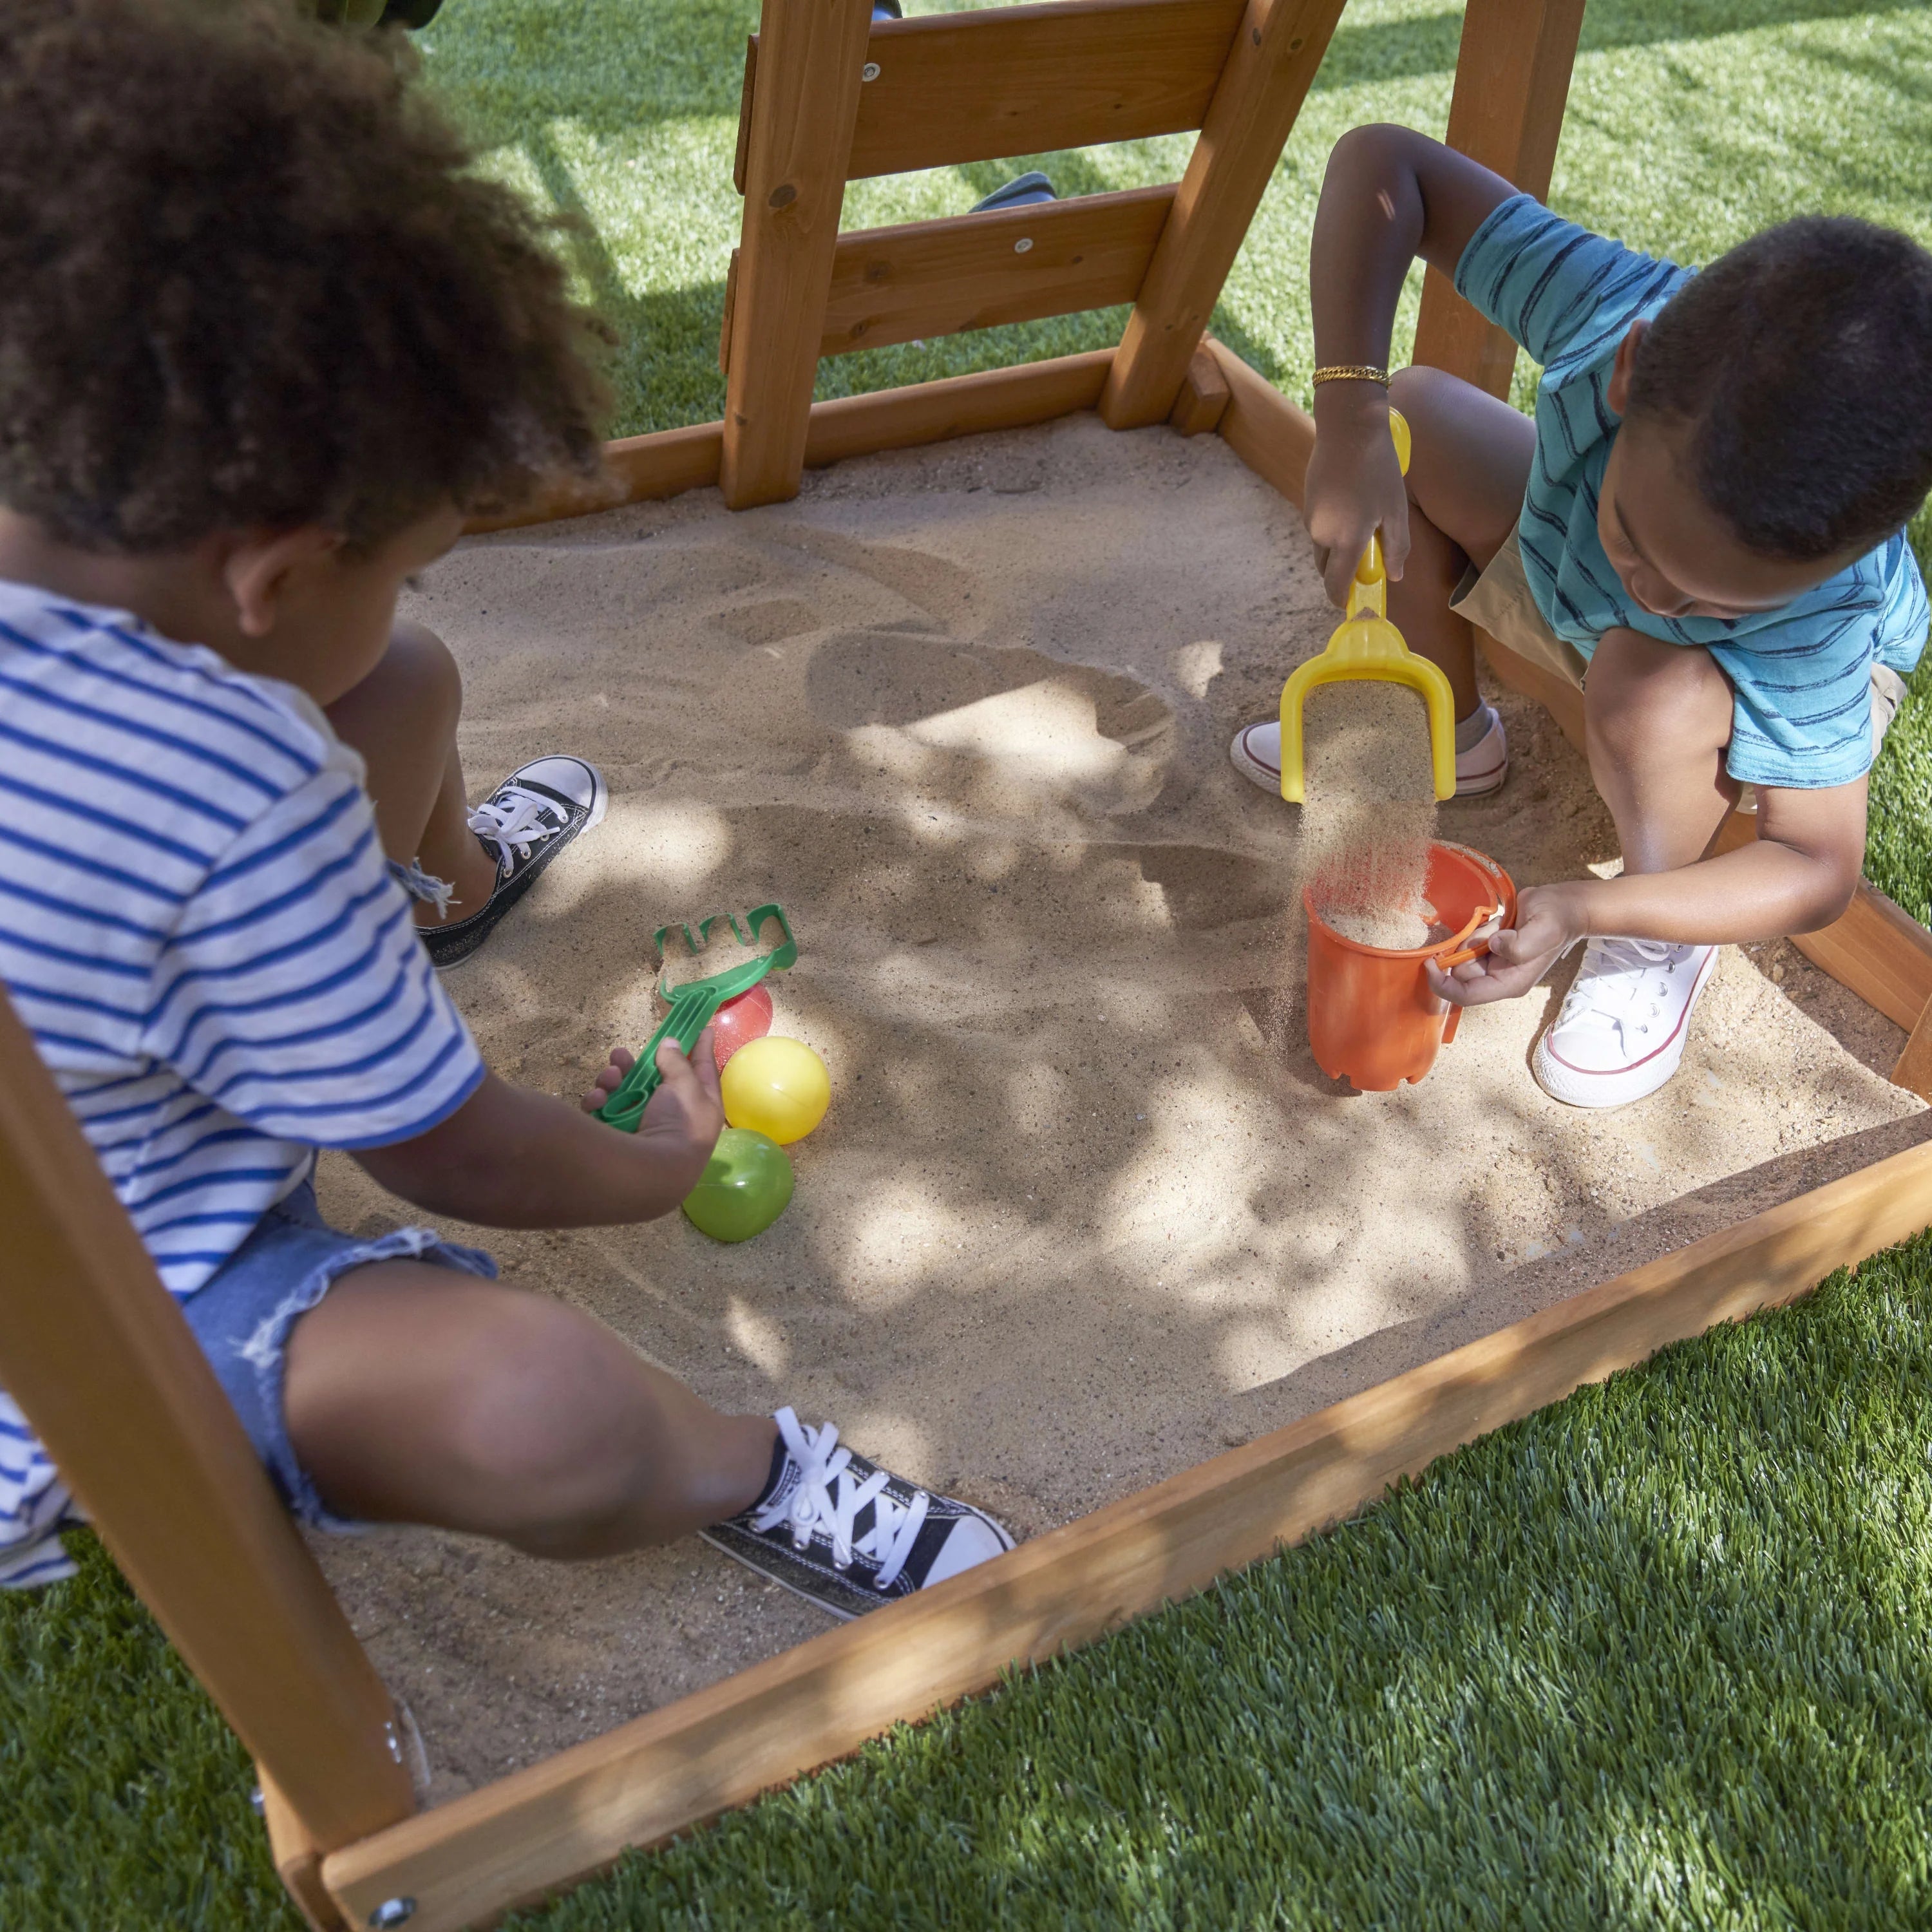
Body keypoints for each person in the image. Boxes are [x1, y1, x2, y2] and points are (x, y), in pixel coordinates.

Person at [0, 0, 1012, 1616]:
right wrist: (664, 1159)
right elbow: (451, 1154)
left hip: (85, 1095)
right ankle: (747, 1467)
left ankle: (449, 890)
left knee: (398, 682)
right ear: (268, 572)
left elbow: (334, 682)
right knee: (541, 1408)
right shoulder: (234, 792)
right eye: (398, 558)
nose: (403, 583)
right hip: (105, 1320)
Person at [1231, 126, 1932, 1110]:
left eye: (1713, 598)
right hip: (1568, 571)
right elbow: (1385, 166)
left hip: (1727, 690)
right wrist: (1350, 416)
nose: (1660, 592)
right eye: (1641, 541)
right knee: (1418, 418)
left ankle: (1657, 932)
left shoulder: (1823, 610)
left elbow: (1815, 867)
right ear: (1630, 370)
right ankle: (1457, 737)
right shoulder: (1612, 308)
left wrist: (1589, 904)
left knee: (1650, 683)